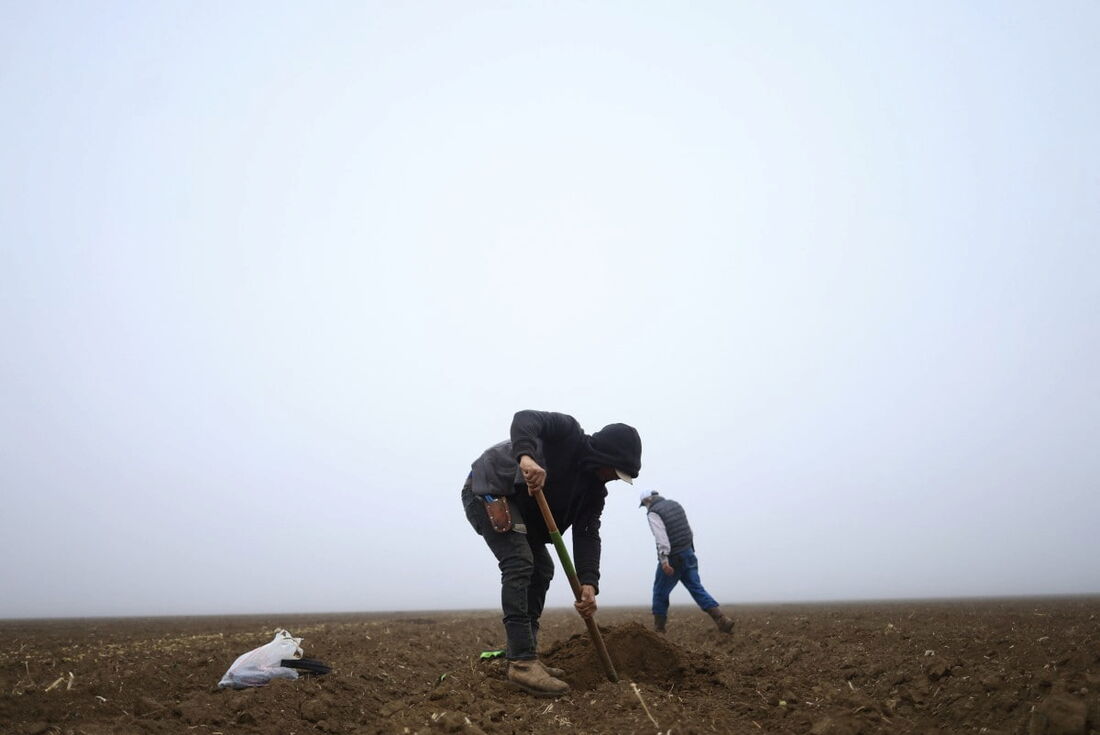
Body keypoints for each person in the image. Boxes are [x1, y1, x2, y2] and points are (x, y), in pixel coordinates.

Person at [461, 410, 642, 697]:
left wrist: (588, 582)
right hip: (490, 487)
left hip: (522, 509)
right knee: (520, 562)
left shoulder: (594, 493)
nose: (614, 479)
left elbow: (587, 534)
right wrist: (527, 457)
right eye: (615, 471)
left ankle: (525, 652)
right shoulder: (568, 433)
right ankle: (521, 662)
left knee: (542, 569)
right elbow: (524, 419)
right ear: (606, 457)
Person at [639, 490, 734, 634]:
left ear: (647, 501)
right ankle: (722, 619)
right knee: (696, 588)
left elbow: (661, 538)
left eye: (644, 505)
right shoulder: (675, 505)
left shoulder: (653, 513)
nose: (645, 508)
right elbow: (688, 530)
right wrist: (690, 550)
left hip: (673, 558)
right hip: (688, 552)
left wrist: (664, 561)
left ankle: (659, 631)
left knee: (660, 592)